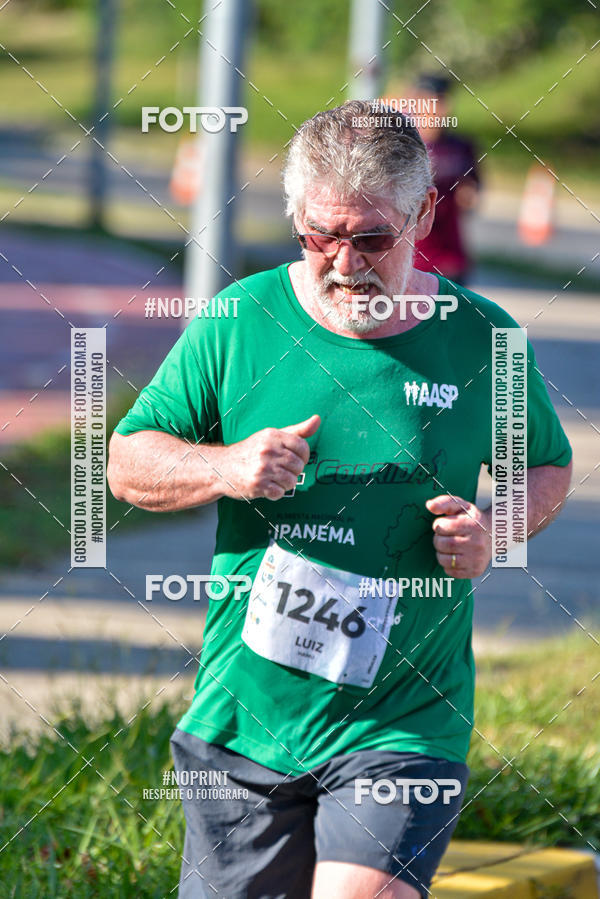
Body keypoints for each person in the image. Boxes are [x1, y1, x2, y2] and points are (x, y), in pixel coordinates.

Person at [107, 99, 572, 899]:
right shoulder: (238, 322)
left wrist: (498, 529)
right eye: (320, 234)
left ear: (426, 212)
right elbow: (125, 463)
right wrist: (226, 467)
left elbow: (545, 467)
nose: (345, 262)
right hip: (246, 717)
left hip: (403, 717)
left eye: (370, 238)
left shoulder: (483, 339)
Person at [408, 73, 481, 285]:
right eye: (431, 102)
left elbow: (472, 192)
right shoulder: (405, 147)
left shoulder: (461, 147)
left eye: (442, 101)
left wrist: (468, 196)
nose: (439, 110)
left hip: (451, 258)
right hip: (414, 259)